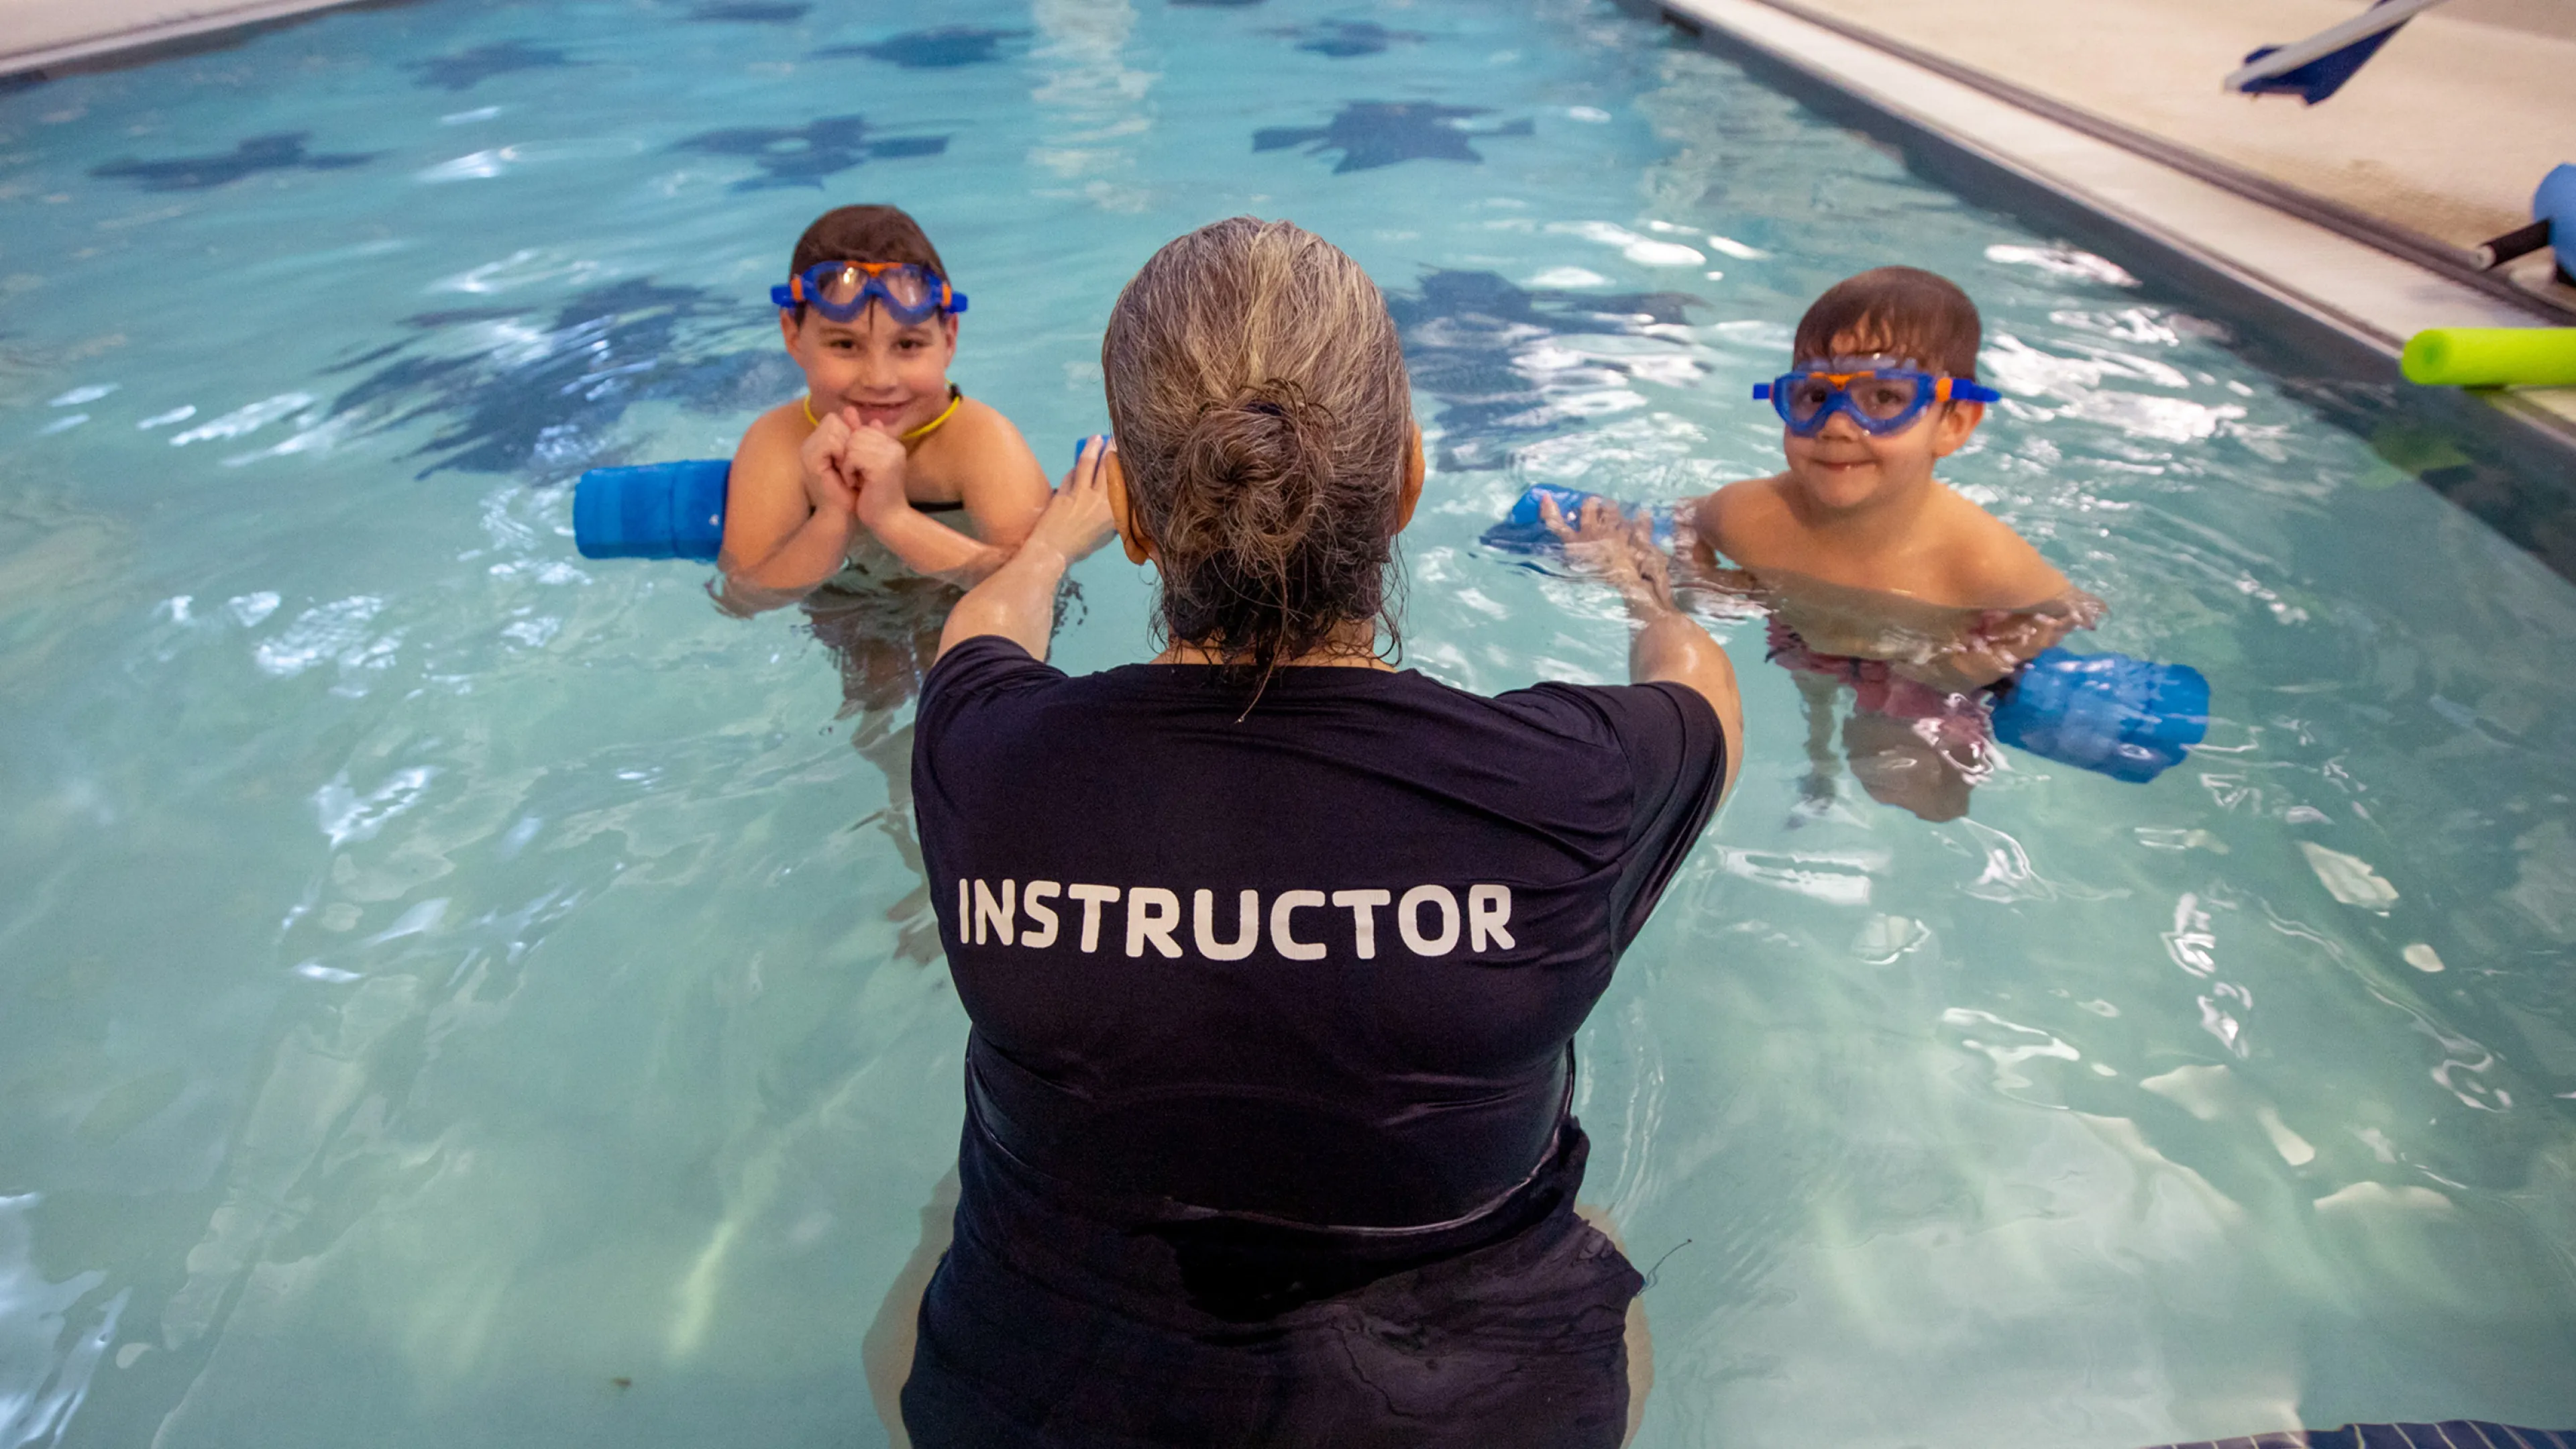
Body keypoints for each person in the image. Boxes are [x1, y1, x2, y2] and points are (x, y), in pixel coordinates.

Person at [885, 218, 1743, 1447]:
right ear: (1405, 486)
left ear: (1135, 517)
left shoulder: (983, 757)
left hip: (1022, 1402)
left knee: (951, 1217)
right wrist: (1643, 592)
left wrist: (1052, 544)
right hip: (1466, 1416)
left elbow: (984, 629)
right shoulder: (1575, 783)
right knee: (1591, 1251)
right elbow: (1703, 690)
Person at [716, 205, 1054, 959]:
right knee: (875, 713)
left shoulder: (978, 442)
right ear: (792, 337)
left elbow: (1037, 574)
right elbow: (744, 593)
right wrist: (833, 517)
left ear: (950, 339)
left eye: (909, 345)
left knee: (959, 722)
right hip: (849, 602)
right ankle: (912, 845)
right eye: (843, 345)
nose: (878, 378)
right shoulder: (776, 444)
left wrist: (895, 516)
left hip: (958, 606)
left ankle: (972, 878)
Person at [1682, 266, 2098, 820]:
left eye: (1883, 397)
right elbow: (1686, 520)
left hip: (1922, 661)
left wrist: (1976, 665)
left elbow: (2073, 609)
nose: (1836, 426)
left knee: (1927, 789)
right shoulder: (1752, 516)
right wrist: (1708, 583)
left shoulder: (1976, 556)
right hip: (1805, 638)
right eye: (1813, 397)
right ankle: (1819, 769)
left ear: (1954, 422)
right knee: (1816, 705)